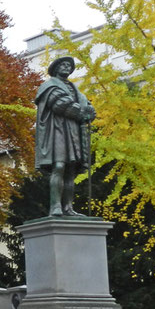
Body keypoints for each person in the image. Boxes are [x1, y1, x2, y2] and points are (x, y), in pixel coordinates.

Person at [35, 56, 96, 216]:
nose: (67, 67)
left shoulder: (75, 89)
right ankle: (55, 206)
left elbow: (88, 108)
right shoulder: (49, 86)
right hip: (57, 131)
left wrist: (89, 112)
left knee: (71, 169)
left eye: (70, 65)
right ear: (56, 68)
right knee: (59, 166)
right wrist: (83, 112)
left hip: (73, 131)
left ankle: (68, 207)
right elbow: (60, 104)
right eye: (64, 64)